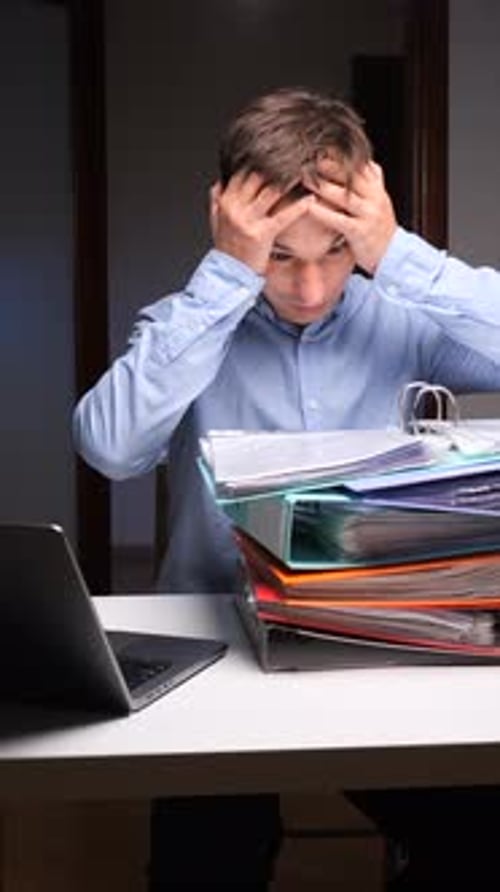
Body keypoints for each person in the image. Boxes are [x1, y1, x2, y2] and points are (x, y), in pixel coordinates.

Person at [73, 87, 500, 891]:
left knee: (480, 843)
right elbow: (108, 449)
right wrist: (226, 278)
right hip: (216, 651)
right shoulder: (190, 321)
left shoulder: (401, 316)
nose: (308, 289)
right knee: (202, 870)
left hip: (377, 646)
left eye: (334, 251)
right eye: (278, 256)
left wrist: (397, 251)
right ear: (232, 229)